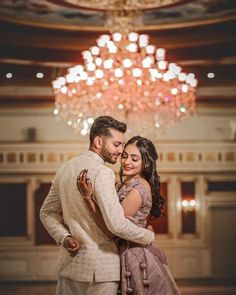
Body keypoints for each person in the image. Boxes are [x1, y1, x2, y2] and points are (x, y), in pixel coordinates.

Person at [39, 116, 155, 295]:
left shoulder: (65, 168)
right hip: (101, 268)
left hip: (69, 267)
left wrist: (64, 237)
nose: (119, 151)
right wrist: (148, 236)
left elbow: (46, 213)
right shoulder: (103, 173)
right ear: (98, 141)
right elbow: (116, 224)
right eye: (116, 145)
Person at [78, 136, 181, 295]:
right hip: (119, 250)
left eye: (134, 158)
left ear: (145, 163)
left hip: (132, 254)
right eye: (124, 156)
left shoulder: (139, 187)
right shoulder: (123, 184)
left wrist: (88, 199)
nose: (127, 162)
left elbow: (113, 226)